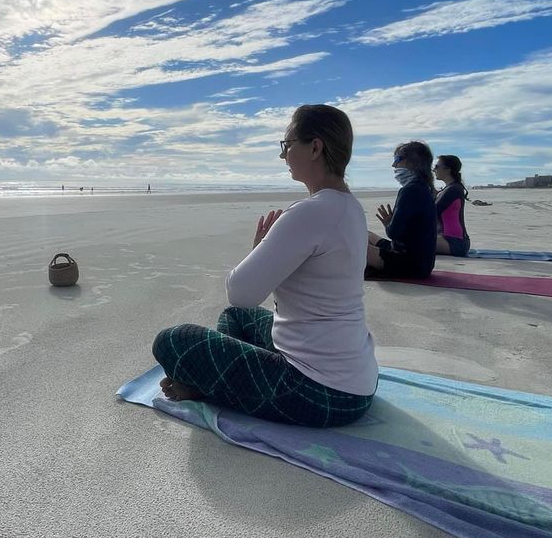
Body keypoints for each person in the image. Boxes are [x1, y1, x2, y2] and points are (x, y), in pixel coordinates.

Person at [150, 105, 377, 427]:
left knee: (172, 339)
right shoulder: (349, 207)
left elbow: (240, 292)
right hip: (357, 380)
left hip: (322, 391)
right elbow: (242, 308)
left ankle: (204, 385)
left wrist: (257, 251)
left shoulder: (310, 212)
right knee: (237, 320)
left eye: (286, 146)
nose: (283, 156)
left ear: (315, 147)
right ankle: (214, 380)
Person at [367, 141, 437, 278]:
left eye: (397, 159)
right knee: (366, 235)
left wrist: (388, 223)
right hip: (423, 264)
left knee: (353, 246)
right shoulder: (425, 187)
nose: (394, 165)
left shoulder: (410, 190)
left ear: (412, 162)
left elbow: (393, 232)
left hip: (410, 265)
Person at [434, 154, 471, 257]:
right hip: (448, 239)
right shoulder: (449, 189)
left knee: (411, 242)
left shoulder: (453, 189)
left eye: (437, 167)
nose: (434, 170)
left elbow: (432, 212)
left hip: (454, 242)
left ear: (447, 169)